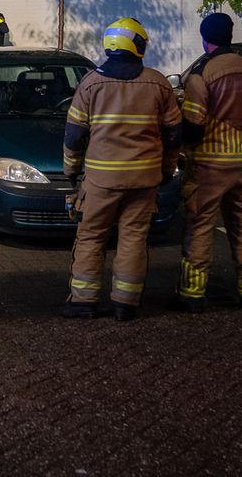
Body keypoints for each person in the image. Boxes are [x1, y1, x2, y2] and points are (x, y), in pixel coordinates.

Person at [62, 17, 182, 322]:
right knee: (133, 238)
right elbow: (173, 134)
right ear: (138, 45)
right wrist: (167, 170)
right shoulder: (158, 83)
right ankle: (125, 304)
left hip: (101, 181)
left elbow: (74, 135)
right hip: (144, 179)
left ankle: (83, 302)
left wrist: (71, 170)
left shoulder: (91, 83)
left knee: (91, 237)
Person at [176, 12, 242, 312]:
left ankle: (192, 294)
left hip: (209, 164)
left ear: (204, 37)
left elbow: (194, 124)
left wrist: (183, 146)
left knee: (200, 226)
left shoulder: (202, 73)